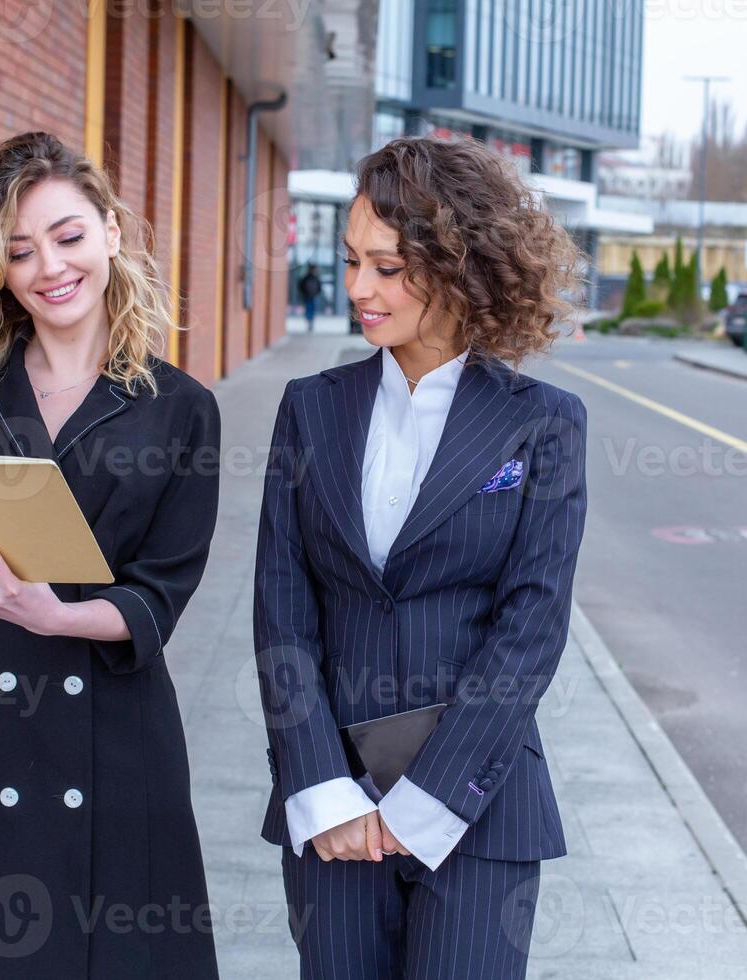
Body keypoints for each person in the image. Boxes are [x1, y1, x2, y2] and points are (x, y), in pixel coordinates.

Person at [0, 131, 220, 977]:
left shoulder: (178, 408)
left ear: (109, 230)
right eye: (20, 252)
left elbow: (160, 598)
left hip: (112, 722)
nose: (49, 268)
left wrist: (58, 614)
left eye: (67, 236)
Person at [253, 135, 589, 979]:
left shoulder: (544, 422)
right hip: (333, 808)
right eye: (352, 262)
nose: (360, 289)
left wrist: (428, 800)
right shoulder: (309, 409)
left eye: (390, 267)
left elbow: (531, 629)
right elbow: (280, 612)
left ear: (463, 266)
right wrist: (321, 788)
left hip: (481, 805)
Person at [298, 264, 322, 331]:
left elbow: (319, 287)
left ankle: (310, 322)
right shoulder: (309, 278)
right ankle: (309, 322)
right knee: (310, 310)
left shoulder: (312, 277)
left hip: (312, 296)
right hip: (309, 296)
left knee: (311, 310)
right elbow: (301, 286)